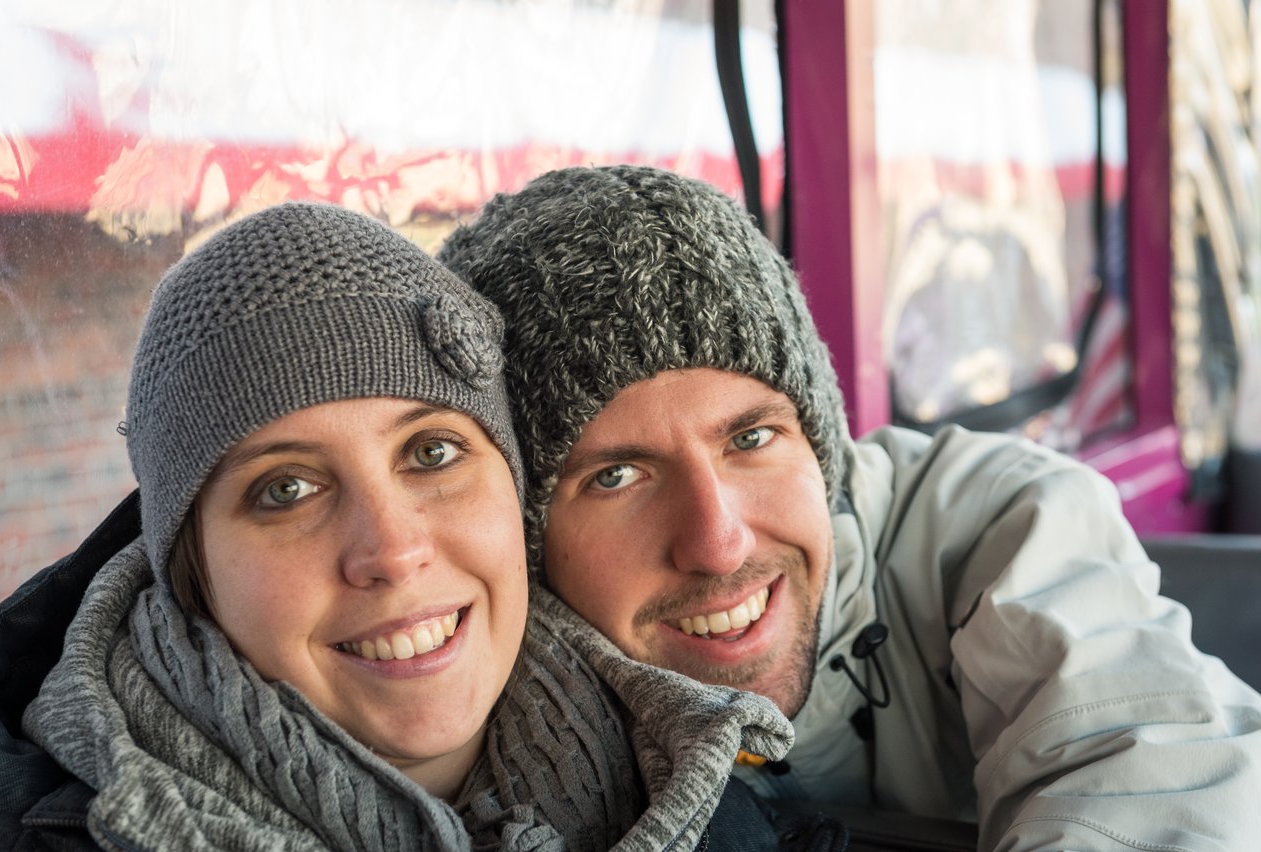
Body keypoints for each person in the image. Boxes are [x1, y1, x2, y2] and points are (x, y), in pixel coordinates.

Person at [437, 164, 1261, 850]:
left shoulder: (994, 521)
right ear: (525, 533)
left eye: (752, 439)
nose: (719, 544)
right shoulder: (473, 676)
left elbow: (1146, 762)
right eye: (617, 476)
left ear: (821, 445)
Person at [0, 201, 814, 851]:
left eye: (433, 452)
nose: (393, 550)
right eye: (287, 489)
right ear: (189, 569)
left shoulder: (697, 764)